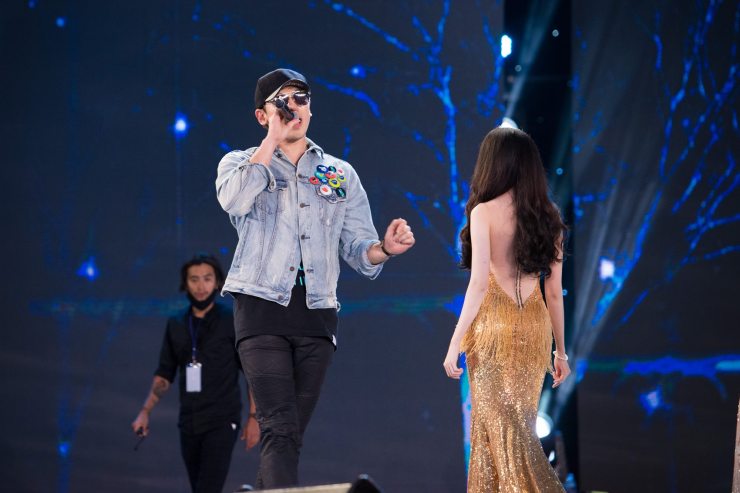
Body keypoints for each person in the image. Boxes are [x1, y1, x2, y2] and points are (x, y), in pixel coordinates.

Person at [215, 68, 415, 489]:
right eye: (282, 102)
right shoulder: (240, 163)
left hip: (317, 315)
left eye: (301, 99)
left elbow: (358, 248)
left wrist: (384, 248)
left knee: (287, 436)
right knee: (279, 427)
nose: (294, 108)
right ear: (261, 115)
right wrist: (272, 140)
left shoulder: (338, 173)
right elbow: (234, 199)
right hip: (261, 310)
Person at [443, 127, 571, 492]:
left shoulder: (483, 212)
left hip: (492, 328)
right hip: (535, 326)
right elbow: (555, 293)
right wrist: (560, 352)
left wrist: (455, 343)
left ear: (492, 165)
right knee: (517, 429)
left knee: (498, 433)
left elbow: (479, 284)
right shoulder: (549, 216)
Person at [131, 254, 259, 493]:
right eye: (194, 279)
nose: (201, 286)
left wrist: (254, 417)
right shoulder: (176, 323)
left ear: (217, 282)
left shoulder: (231, 320)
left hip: (222, 420)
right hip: (189, 422)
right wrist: (145, 411)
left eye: (207, 279)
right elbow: (164, 374)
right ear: (185, 283)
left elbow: (251, 371)